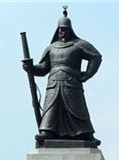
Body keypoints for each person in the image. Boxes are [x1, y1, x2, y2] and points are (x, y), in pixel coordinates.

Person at [23, 8, 102, 145]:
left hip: (72, 83)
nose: (62, 32)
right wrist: (31, 68)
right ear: (57, 30)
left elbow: (96, 57)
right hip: (53, 83)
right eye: (60, 29)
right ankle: (47, 132)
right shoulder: (51, 48)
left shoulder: (78, 44)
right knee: (50, 108)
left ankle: (86, 134)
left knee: (77, 110)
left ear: (70, 30)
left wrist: (87, 74)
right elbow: (43, 68)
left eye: (65, 29)